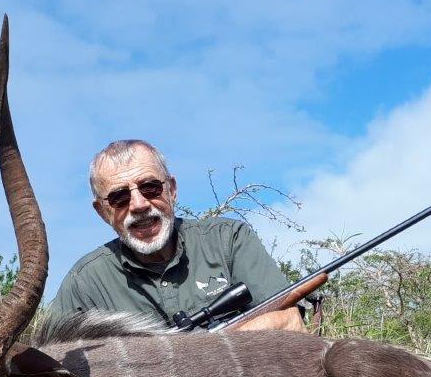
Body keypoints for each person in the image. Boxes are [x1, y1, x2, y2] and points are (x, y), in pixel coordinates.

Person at [50, 139, 305, 332]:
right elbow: (51, 370)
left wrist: (204, 348)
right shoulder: (84, 283)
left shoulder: (229, 239)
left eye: (150, 188)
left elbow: (289, 322)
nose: (138, 204)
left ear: (171, 190)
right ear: (102, 211)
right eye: (119, 198)